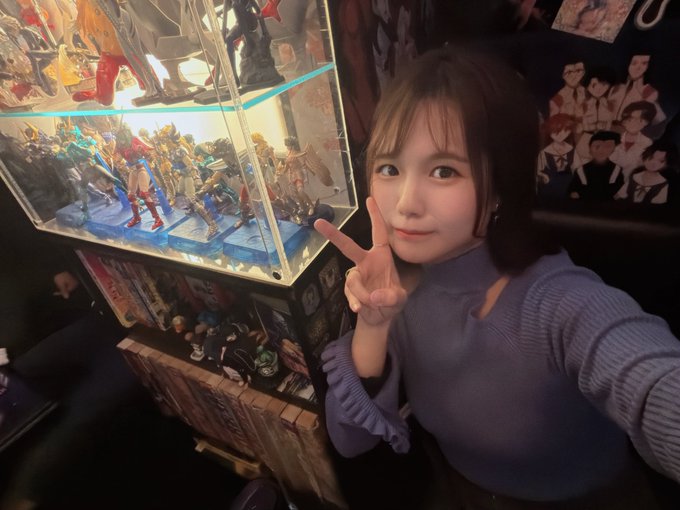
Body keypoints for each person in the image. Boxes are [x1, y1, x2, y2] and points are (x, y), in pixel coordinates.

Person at [314, 46, 680, 509]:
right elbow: (350, 441)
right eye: (389, 168)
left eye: (443, 170)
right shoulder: (397, 288)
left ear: (501, 186)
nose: (405, 203)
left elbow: (652, 381)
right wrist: (372, 324)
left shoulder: (562, 302)